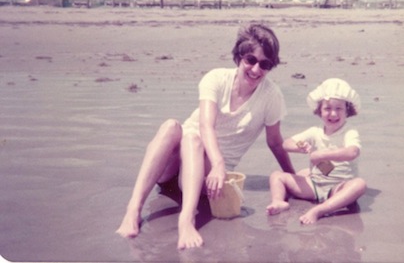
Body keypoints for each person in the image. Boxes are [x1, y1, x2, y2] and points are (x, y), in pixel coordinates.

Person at [116, 24, 295, 249]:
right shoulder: (216, 79)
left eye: (265, 64)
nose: (256, 70)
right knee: (171, 126)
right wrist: (219, 164)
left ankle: (186, 219)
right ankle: (133, 209)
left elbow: (275, 142)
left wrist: (293, 179)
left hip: (208, 178)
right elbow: (205, 124)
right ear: (239, 56)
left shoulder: (271, 96)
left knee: (193, 139)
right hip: (172, 168)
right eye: (251, 60)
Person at [266, 78, 366, 224]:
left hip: (338, 188)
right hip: (314, 185)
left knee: (359, 184)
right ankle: (278, 201)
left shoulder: (349, 132)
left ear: (347, 111)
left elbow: (352, 152)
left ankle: (319, 210)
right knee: (277, 176)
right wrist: (299, 146)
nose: (333, 114)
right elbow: (286, 144)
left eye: (339, 108)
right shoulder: (315, 132)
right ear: (319, 111)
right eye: (327, 108)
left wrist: (321, 155)